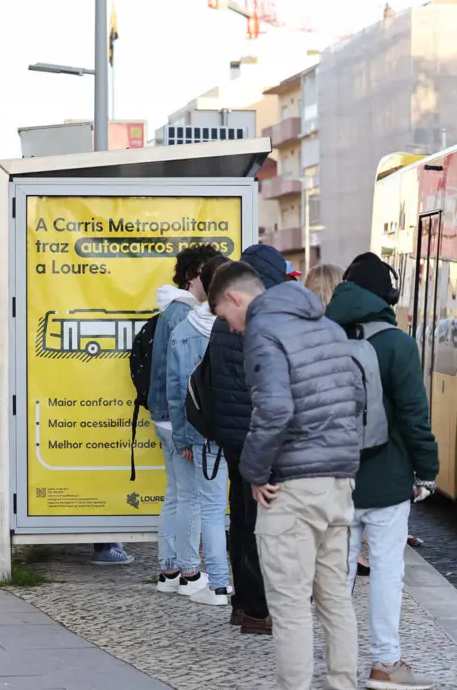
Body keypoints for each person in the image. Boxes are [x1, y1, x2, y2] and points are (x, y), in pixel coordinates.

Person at [211, 261, 364, 690]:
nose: (233, 329)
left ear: (237, 299)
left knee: (291, 604)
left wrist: (254, 472)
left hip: (294, 486)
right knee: (335, 598)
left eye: (226, 317)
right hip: (338, 482)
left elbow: (275, 408)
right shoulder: (326, 326)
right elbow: (357, 397)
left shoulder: (264, 330)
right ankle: (341, 684)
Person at [327, 253, 439, 690]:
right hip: (389, 479)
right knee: (387, 571)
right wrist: (427, 471)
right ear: (387, 295)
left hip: (334, 478)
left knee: (337, 575)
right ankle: (385, 664)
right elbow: (414, 416)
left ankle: (337, 663)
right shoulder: (397, 344)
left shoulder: (322, 336)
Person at [207, 244, 288, 632]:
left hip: (232, 437)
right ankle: (258, 609)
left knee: (239, 520)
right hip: (257, 439)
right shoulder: (260, 319)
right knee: (260, 527)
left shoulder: (224, 319)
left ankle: (241, 603)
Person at [148, 244, 220, 584]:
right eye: (206, 273)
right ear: (193, 276)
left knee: (176, 493)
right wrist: (186, 432)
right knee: (189, 495)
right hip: (178, 417)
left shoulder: (171, 308)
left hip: (162, 413)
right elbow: (184, 381)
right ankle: (189, 572)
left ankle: (169, 568)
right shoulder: (187, 313)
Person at [168, 254, 231, 604]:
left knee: (209, 506)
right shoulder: (243, 322)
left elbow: (179, 393)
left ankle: (219, 584)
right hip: (243, 432)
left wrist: (185, 439)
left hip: (206, 434)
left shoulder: (184, 329)